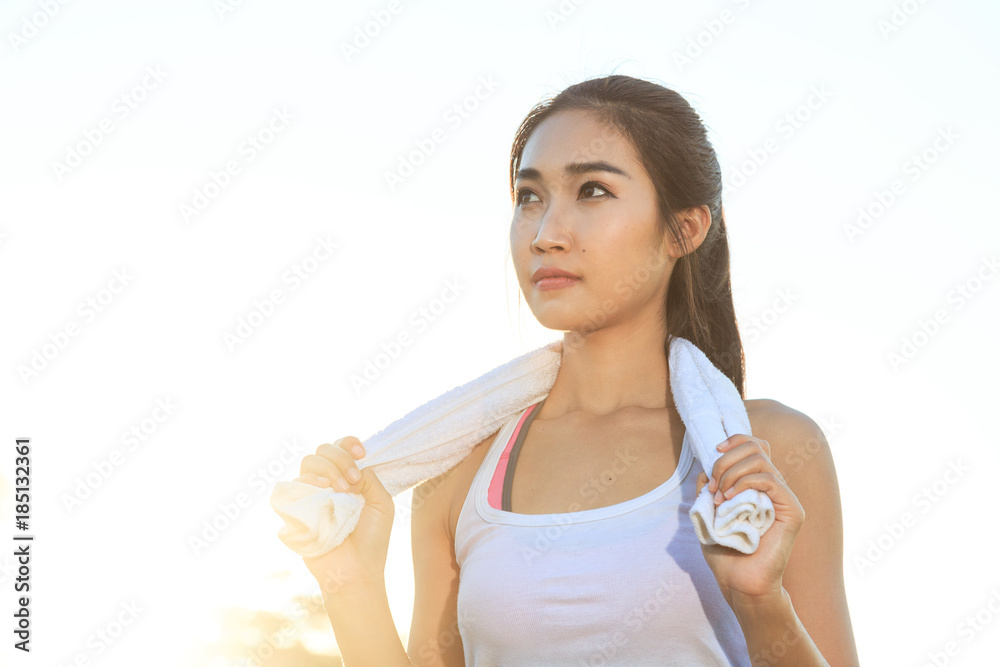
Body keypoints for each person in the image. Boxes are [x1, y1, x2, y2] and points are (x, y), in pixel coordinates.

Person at [293, 74, 860, 666]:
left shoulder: (764, 453)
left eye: (592, 191)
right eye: (529, 197)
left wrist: (760, 600)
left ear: (684, 229)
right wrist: (349, 582)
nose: (545, 235)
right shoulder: (459, 470)